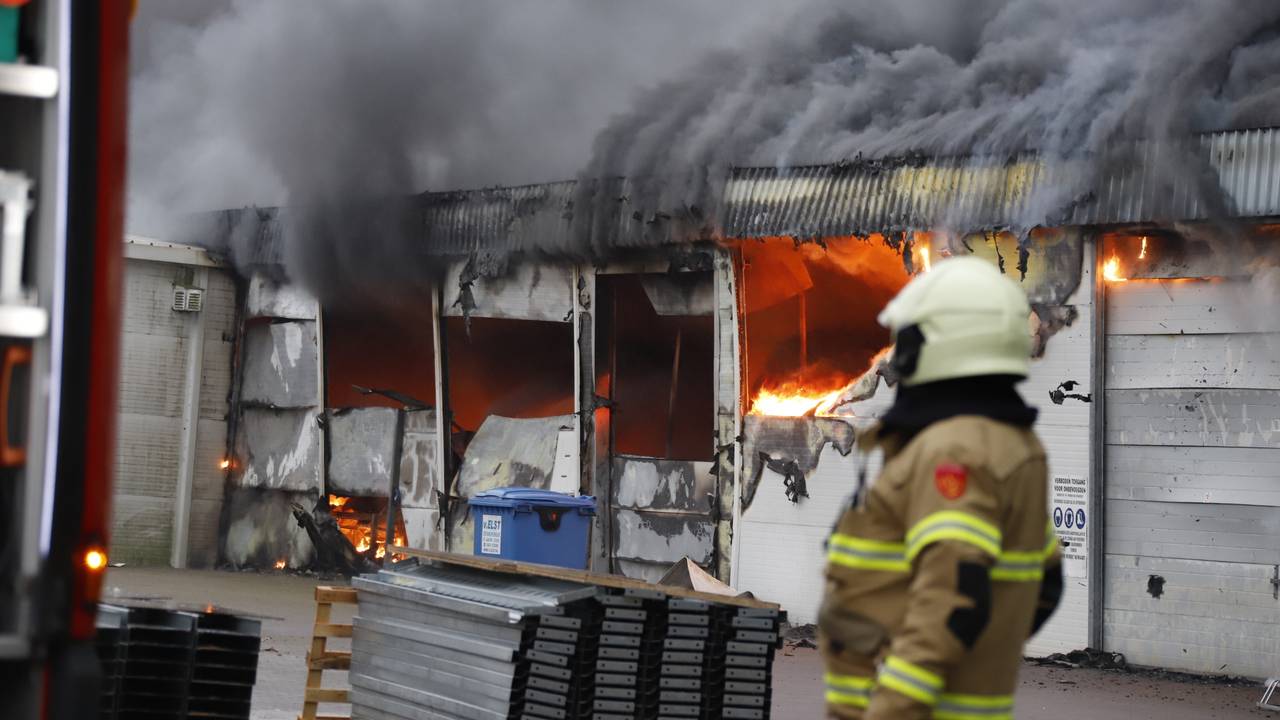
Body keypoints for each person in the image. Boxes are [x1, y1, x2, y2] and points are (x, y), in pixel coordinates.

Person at [820, 256, 1063, 720]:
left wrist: (894, 702)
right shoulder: (1009, 448)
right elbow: (1044, 584)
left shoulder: (953, 452)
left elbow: (954, 597)